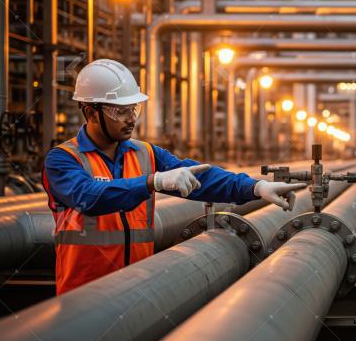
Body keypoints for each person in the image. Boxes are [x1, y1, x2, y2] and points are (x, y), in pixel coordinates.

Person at [43, 59, 306, 295]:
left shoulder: (145, 153)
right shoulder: (63, 159)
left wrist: (256, 187)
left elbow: (200, 177)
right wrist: (153, 181)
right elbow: (89, 197)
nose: (131, 119)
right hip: (82, 298)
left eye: (134, 109)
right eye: (120, 111)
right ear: (91, 113)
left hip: (134, 293)